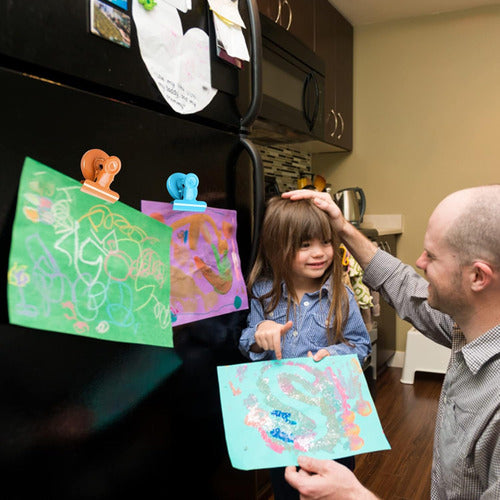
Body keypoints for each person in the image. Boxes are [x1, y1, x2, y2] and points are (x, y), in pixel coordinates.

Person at [281, 186, 500, 500]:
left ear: (478, 277)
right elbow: (405, 286)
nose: (419, 262)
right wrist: (342, 228)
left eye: (432, 256)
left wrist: (353, 496)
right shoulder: (470, 324)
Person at [239, 196, 372, 500]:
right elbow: (245, 343)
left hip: (330, 418)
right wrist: (259, 333)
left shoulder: (341, 294)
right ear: (277, 247)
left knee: (333, 488)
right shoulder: (262, 293)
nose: (319, 253)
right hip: (281, 422)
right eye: (304, 245)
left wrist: (335, 354)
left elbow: (361, 345)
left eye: (325, 242)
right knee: (287, 489)